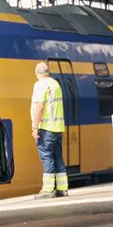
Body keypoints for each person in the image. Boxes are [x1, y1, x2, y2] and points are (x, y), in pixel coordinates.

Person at [30, 62, 68, 199]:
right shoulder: (55, 84)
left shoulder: (40, 85)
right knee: (58, 157)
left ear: (37, 73)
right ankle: (62, 189)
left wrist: (35, 127)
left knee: (46, 157)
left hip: (46, 128)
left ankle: (48, 190)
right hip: (57, 128)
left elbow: (40, 106)